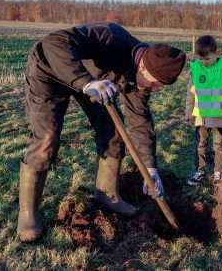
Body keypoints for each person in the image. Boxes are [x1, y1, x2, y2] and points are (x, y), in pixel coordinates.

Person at [18, 22, 186, 242]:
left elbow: (141, 123)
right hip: (49, 71)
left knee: (114, 133)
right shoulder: (111, 37)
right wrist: (85, 83)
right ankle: (28, 215)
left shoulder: (140, 83)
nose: (155, 89)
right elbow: (52, 43)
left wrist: (151, 168)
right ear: (143, 67)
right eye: (155, 84)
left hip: (92, 83)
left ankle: (107, 194)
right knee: (46, 139)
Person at [185, 35, 222, 186]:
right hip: (201, 117)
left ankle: (218, 172)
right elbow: (190, 93)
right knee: (200, 144)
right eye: (201, 59)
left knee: (218, 145)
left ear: (217, 53)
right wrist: (189, 113)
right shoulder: (195, 68)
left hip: (219, 116)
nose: (204, 63)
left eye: (207, 59)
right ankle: (199, 170)